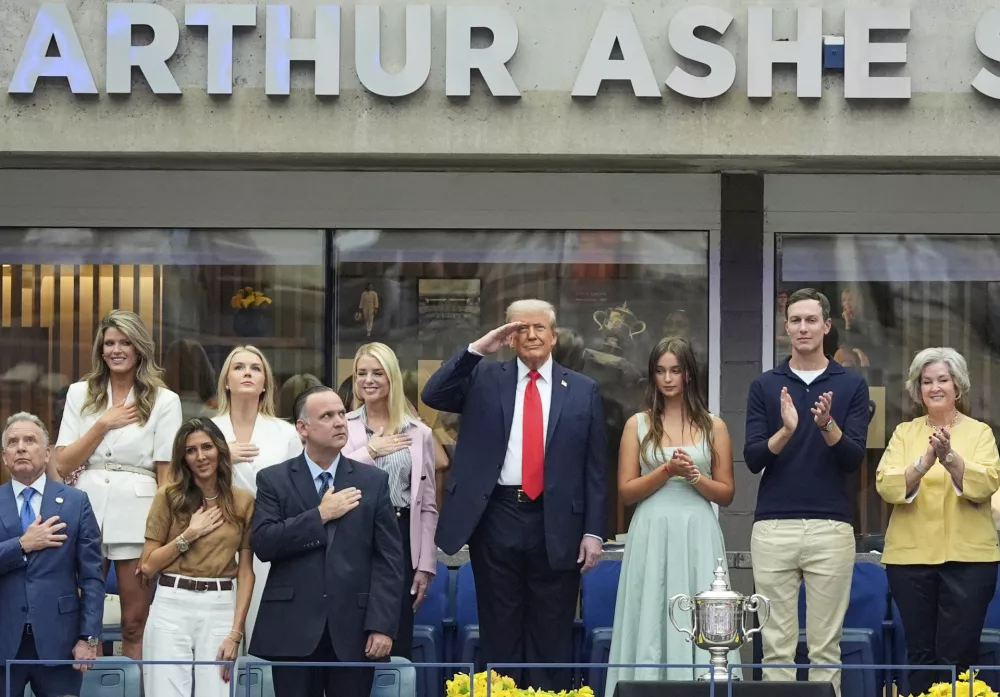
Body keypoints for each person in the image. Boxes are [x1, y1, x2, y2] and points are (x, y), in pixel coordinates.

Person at [421, 298, 607, 691]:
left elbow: (595, 469)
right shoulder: (484, 377)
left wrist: (593, 532)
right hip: (497, 516)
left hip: (558, 521)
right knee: (499, 629)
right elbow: (434, 394)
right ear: (508, 337)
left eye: (540, 327)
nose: (532, 335)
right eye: (521, 328)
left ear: (554, 337)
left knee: (552, 631)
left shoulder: (583, 389)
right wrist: (478, 349)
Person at [744, 288, 870, 697]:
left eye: (811, 320)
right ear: (785, 327)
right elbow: (753, 458)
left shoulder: (851, 384)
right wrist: (787, 430)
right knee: (775, 649)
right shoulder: (766, 385)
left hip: (830, 527)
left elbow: (852, 459)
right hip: (773, 527)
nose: (803, 328)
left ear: (827, 326)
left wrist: (826, 424)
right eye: (795, 320)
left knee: (825, 649)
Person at [249, 386, 403, 697]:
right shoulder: (273, 479)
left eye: (342, 414)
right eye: (327, 416)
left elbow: (389, 560)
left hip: (354, 630)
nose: (339, 422)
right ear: (302, 428)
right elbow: (263, 543)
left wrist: (382, 625)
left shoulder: (373, 481)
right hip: (292, 630)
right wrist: (319, 515)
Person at [605, 337, 738, 693]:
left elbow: (726, 493)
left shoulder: (714, 426)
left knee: (701, 609)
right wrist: (666, 470)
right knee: (651, 607)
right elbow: (626, 491)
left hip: (698, 529)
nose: (667, 379)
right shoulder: (637, 424)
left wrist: (695, 476)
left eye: (675, 370)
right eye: (660, 371)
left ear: (688, 374)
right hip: (651, 527)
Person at [52, 309, 182, 659]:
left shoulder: (165, 400)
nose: (116, 350)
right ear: (100, 349)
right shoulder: (79, 393)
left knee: (134, 623)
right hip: (85, 507)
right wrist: (103, 424)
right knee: (81, 621)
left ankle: (136, 683)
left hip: (139, 514)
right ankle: (79, 682)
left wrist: (161, 532)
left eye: (125, 342)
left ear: (139, 348)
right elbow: (62, 463)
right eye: (109, 343)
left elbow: (166, 476)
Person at [876, 347, 1000, 696]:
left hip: (970, 560)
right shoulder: (904, 433)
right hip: (910, 559)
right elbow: (886, 484)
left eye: (942, 380)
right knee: (920, 654)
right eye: (926, 381)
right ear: (918, 389)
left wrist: (950, 458)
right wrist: (925, 461)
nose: (934, 387)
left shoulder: (980, 433)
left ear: (957, 386)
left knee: (958, 656)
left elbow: (987, 482)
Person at [140, 418, 255, 697]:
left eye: (207, 447)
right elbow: (148, 565)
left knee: (217, 692)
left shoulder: (243, 501)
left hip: (220, 604)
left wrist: (236, 633)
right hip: (171, 602)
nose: (200, 456)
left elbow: (246, 571)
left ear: (220, 449)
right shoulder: (168, 496)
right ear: (183, 458)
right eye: (191, 450)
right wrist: (189, 534)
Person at [343, 343, 438, 659]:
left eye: (377, 372)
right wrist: (371, 451)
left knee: (394, 635)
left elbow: (427, 504)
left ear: (392, 377)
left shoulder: (419, 432)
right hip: (353, 531)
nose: (368, 380)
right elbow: (334, 479)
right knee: (351, 632)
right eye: (361, 373)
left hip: (400, 533)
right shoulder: (343, 425)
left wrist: (425, 564)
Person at [0, 412, 104, 697]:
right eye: (13, 442)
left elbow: (92, 577)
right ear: (5, 457)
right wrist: (22, 544)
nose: (21, 447)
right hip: (4, 641)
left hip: (60, 642)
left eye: (30, 440)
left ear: (47, 454)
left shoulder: (75, 502)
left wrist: (88, 637)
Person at [210, 345, 302, 643]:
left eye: (255, 368)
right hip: (216, 538)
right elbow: (184, 483)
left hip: (268, 538)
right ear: (226, 381)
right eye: (238, 367)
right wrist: (220, 456)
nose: (247, 373)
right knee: (219, 633)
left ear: (265, 384)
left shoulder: (286, 433)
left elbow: (298, 492)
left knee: (264, 631)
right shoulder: (206, 431)